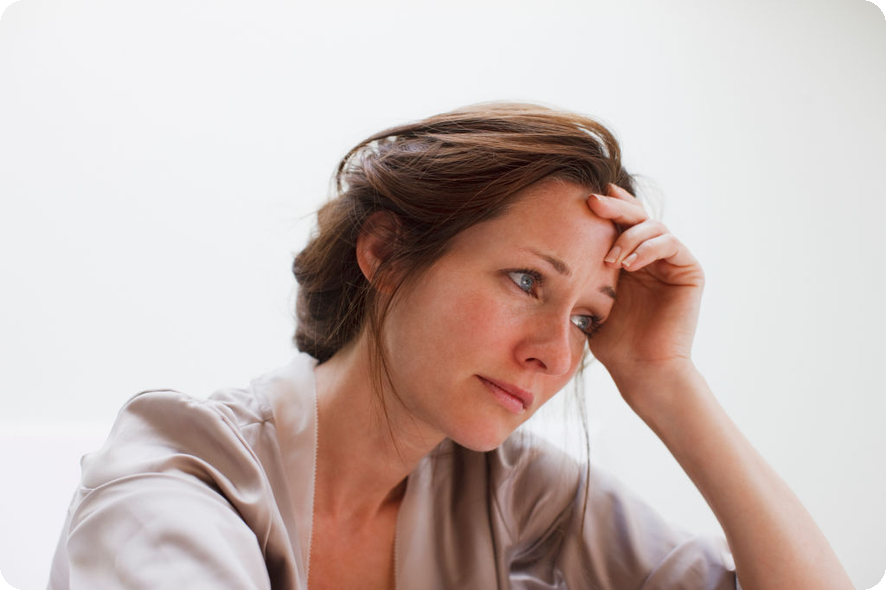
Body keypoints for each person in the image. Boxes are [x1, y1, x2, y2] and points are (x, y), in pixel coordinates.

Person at [48, 102, 852, 589]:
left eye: (587, 319)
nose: (556, 354)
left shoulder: (516, 490)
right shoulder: (179, 472)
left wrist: (663, 377)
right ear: (386, 253)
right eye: (528, 281)